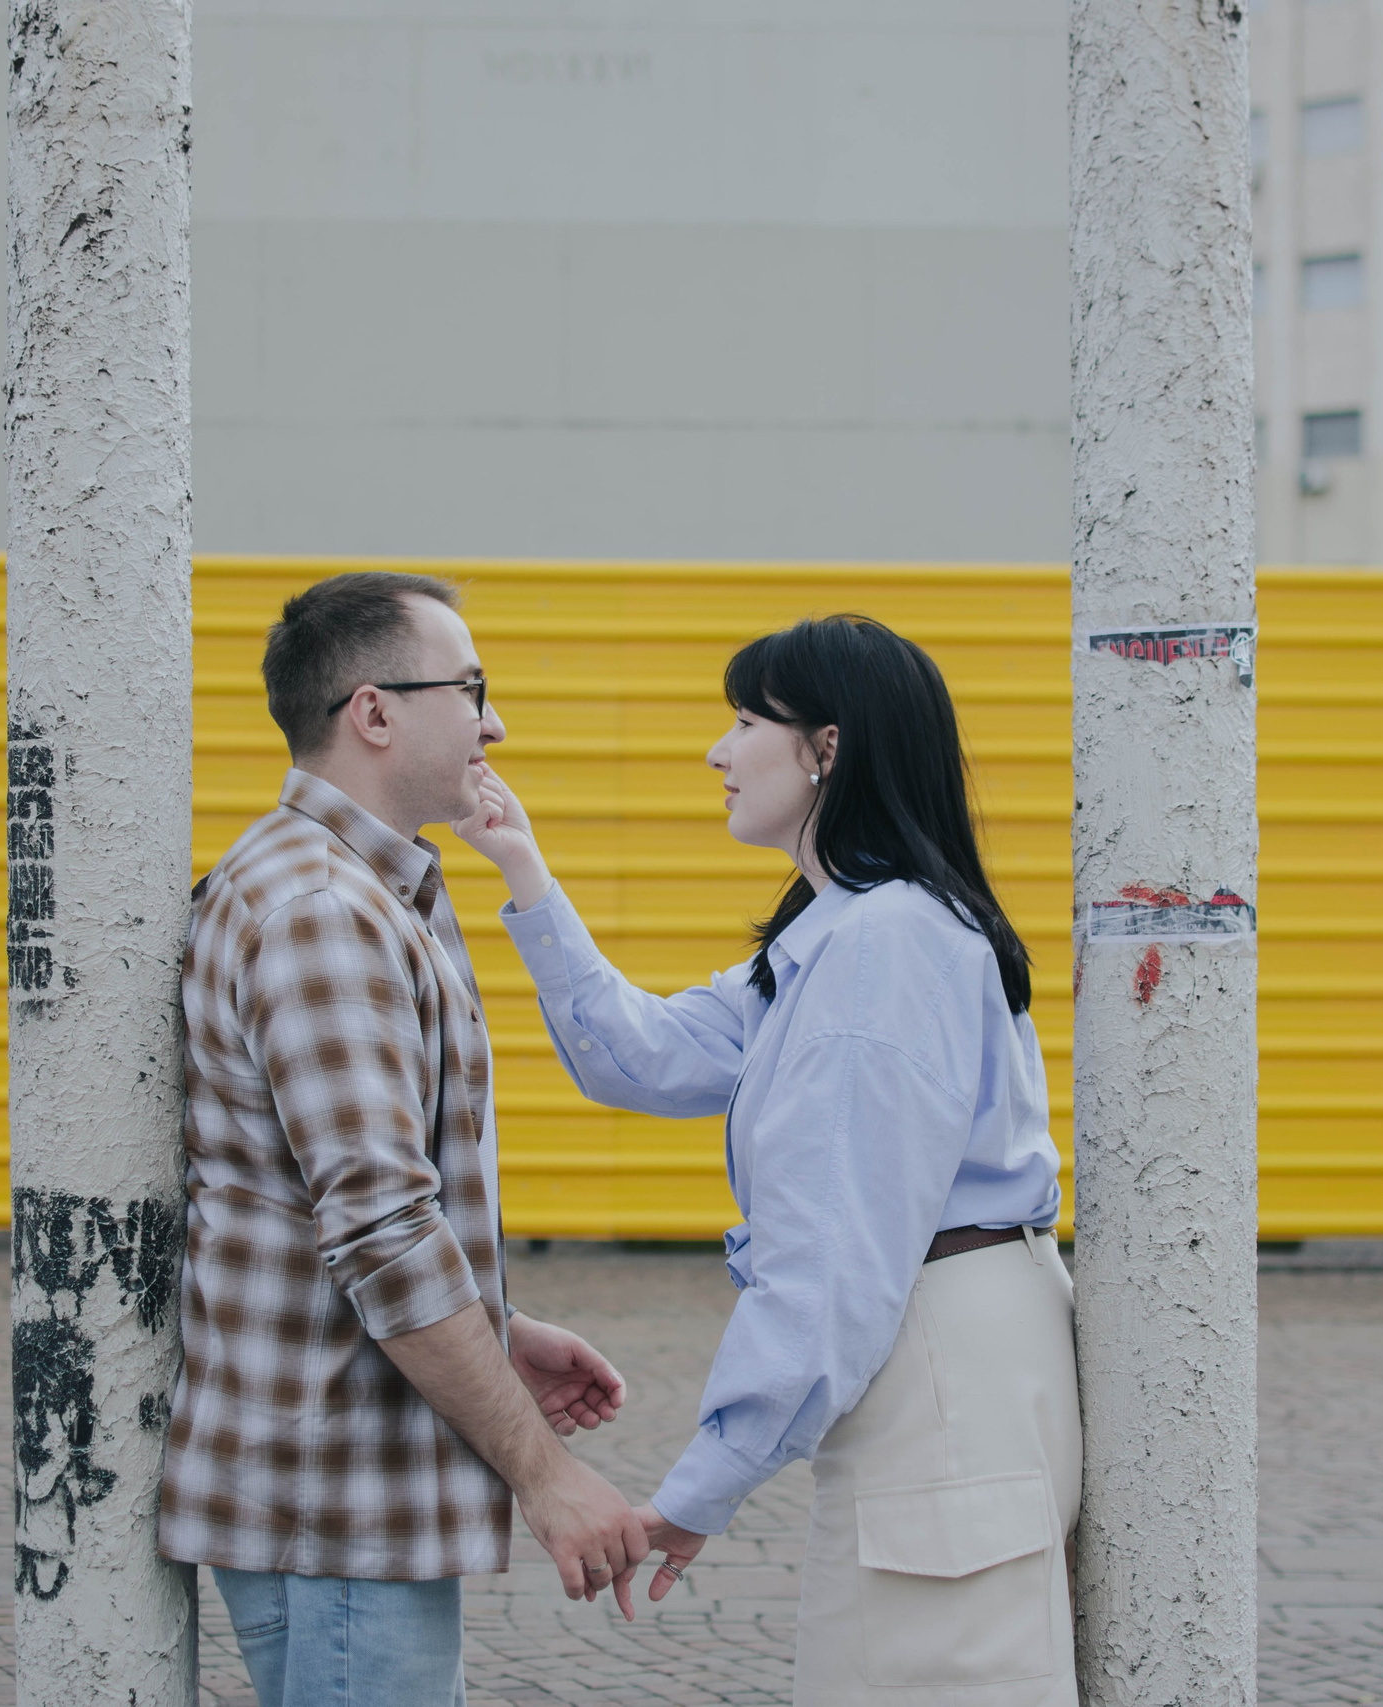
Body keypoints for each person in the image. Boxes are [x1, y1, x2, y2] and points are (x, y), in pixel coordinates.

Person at [457, 614, 1081, 1706]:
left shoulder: (880, 947)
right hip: (947, 1338)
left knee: (924, 1678)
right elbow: (641, 1058)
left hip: (937, 1344)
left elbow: (830, 1257)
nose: (718, 751)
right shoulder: (842, 936)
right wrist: (522, 868)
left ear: (825, 750)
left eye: (746, 721)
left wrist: (703, 1484)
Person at [158, 571, 652, 1707]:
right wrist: (544, 1471)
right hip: (335, 1505)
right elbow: (381, 1228)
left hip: (348, 1501)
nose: (495, 722)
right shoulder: (322, 912)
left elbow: (318, 1204)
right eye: (471, 687)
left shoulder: (357, 892)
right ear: (373, 712)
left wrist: (495, 1322)